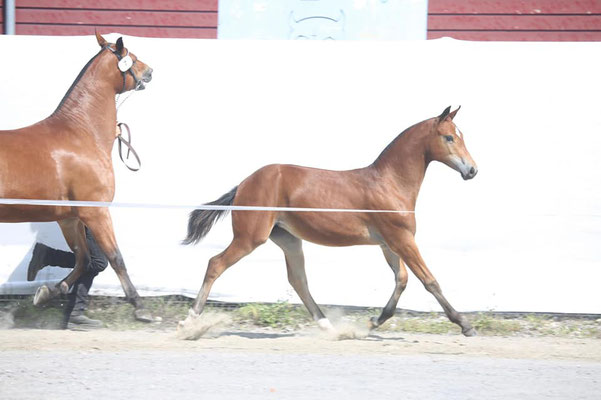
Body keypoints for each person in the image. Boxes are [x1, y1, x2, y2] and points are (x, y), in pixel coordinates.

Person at [27, 227, 108, 330]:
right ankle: (73, 313)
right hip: (87, 216)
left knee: (92, 261)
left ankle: (72, 314)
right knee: (97, 262)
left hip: (85, 217)